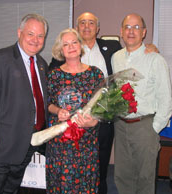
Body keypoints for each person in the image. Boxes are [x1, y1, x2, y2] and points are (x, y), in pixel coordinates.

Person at [49, 12, 158, 194]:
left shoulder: (112, 47)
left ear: (97, 28)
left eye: (91, 23)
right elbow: (51, 94)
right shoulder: (62, 57)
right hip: (70, 128)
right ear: (77, 28)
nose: (86, 26)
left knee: (99, 169)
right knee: (69, 174)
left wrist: (150, 48)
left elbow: (132, 50)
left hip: (101, 122)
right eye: (82, 22)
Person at [0, 13, 49, 194]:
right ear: (19, 32)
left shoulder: (41, 63)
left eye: (40, 36)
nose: (35, 40)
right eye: (31, 34)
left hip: (25, 146)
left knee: (10, 190)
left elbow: (39, 101)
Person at [111, 13, 172, 194]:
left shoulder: (155, 60)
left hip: (145, 125)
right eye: (127, 27)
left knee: (145, 178)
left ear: (144, 32)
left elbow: (166, 99)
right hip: (120, 126)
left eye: (136, 27)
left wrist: (154, 128)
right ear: (121, 32)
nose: (131, 31)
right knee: (122, 176)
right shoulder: (116, 58)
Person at [46, 28, 104, 193]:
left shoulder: (95, 74)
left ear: (80, 45)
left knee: (86, 183)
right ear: (60, 50)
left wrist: (94, 120)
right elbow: (48, 103)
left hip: (87, 141)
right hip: (61, 143)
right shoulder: (54, 75)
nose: (71, 46)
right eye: (66, 44)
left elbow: (102, 106)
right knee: (61, 185)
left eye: (74, 42)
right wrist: (58, 111)